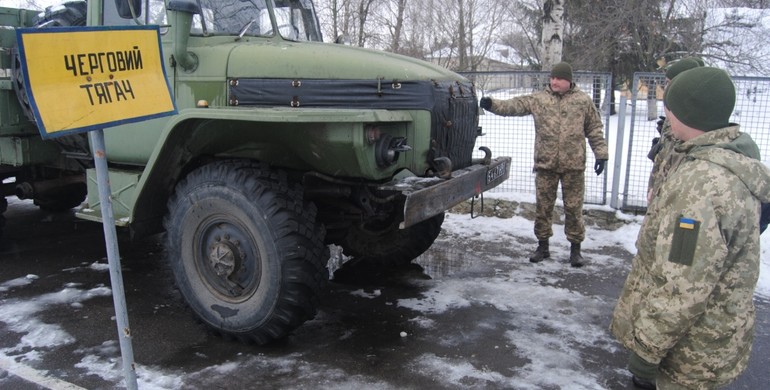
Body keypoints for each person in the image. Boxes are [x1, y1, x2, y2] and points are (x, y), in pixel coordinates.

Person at [610, 67, 770, 389]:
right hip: (714, 337)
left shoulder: (700, 187)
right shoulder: (733, 158)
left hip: (687, 354)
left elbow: (682, 285)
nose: (666, 115)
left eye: (669, 108)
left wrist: (646, 353)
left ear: (685, 114)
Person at [479, 62, 609, 267]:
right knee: (543, 208)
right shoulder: (539, 99)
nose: (555, 81)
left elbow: (594, 129)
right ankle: (543, 246)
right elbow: (514, 105)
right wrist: (492, 104)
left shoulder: (582, 101)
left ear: (569, 80)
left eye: (560, 78)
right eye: (553, 78)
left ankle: (575, 250)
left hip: (573, 166)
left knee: (574, 208)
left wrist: (601, 155)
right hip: (545, 164)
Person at [647, 57, 702, 203]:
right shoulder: (674, 111)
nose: (666, 89)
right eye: (666, 83)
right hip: (660, 190)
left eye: (669, 84)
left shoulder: (693, 120)